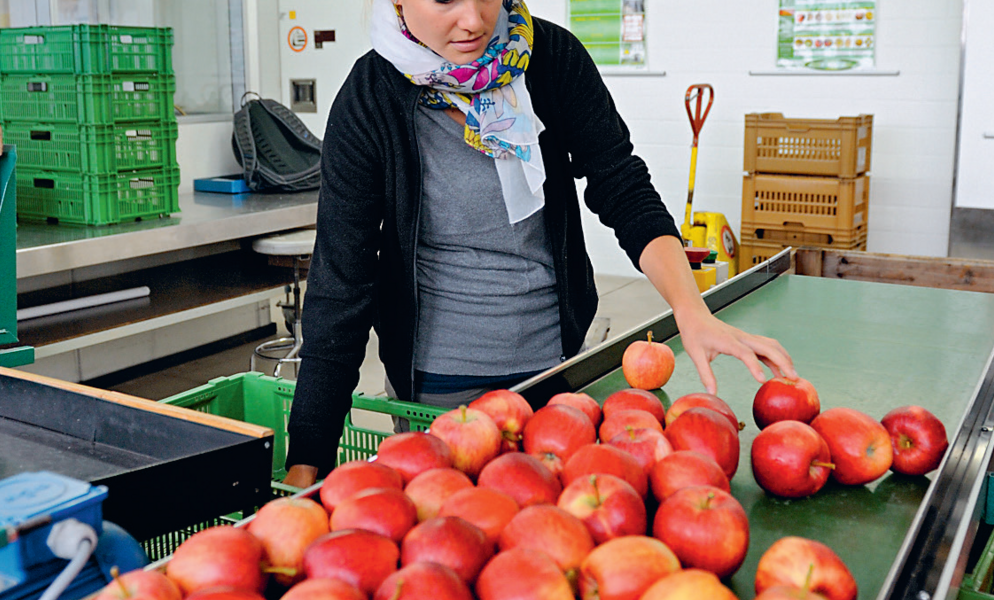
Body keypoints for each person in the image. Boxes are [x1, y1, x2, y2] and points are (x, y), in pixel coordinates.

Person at [282, 0, 795, 482]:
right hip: (440, 384)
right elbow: (341, 282)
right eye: (444, 0)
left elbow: (621, 185)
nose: (473, 20)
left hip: (558, 363)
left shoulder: (550, 58)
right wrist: (307, 456)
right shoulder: (370, 98)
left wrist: (691, 309)